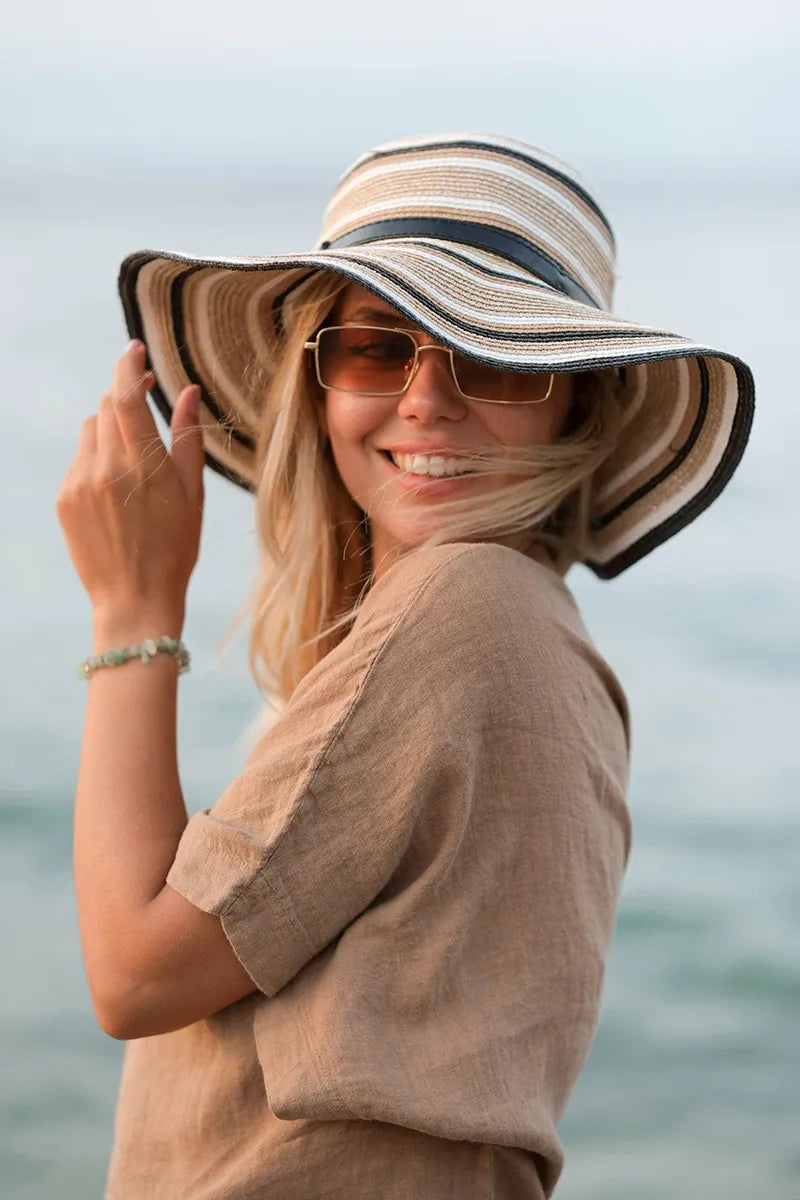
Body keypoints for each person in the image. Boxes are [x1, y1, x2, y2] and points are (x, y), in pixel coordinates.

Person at [57, 132, 755, 1199]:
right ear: (317, 379)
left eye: (491, 358)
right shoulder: (520, 626)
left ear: (574, 400)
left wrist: (133, 606)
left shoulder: (466, 604)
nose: (426, 399)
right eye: (378, 348)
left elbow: (137, 974)